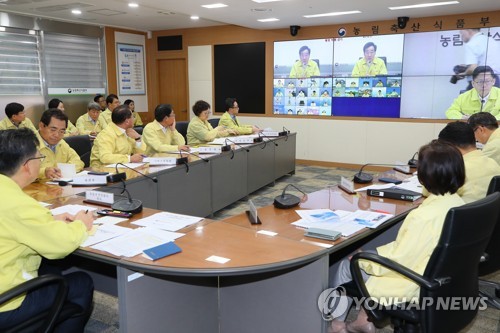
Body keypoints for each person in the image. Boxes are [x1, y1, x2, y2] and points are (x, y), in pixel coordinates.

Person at [329, 140, 465, 333]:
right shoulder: (459, 204)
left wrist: (365, 260)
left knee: (347, 264)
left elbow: (401, 260)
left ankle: (337, 325)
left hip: (414, 283)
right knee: (370, 254)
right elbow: (408, 250)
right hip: (442, 278)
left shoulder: (422, 217)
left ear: (424, 177)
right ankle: (364, 320)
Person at [0, 128, 94, 332]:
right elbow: (60, 245)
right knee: (81, 282)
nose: (41, 162)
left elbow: (11, 223)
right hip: (6, 305)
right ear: (27, 166)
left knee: (49, 269)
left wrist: (49, 218)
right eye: (39, 157)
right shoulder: (19, 204)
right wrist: (81, 223)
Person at [438, 121, 500, 203]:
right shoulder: (493, 163)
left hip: (459, 214)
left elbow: (433, 190)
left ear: (450, 147)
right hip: (487, 213)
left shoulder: (457, 170)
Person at [37, 109, 84, 180]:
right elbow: (21, 173)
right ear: (41, 126)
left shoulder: (61, 143)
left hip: (58, 185)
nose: (57, 135)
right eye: (53, 130)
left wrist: (61, 171)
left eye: (62, 131)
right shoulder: (28, 144)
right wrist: (44, 172)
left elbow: (78, 162)